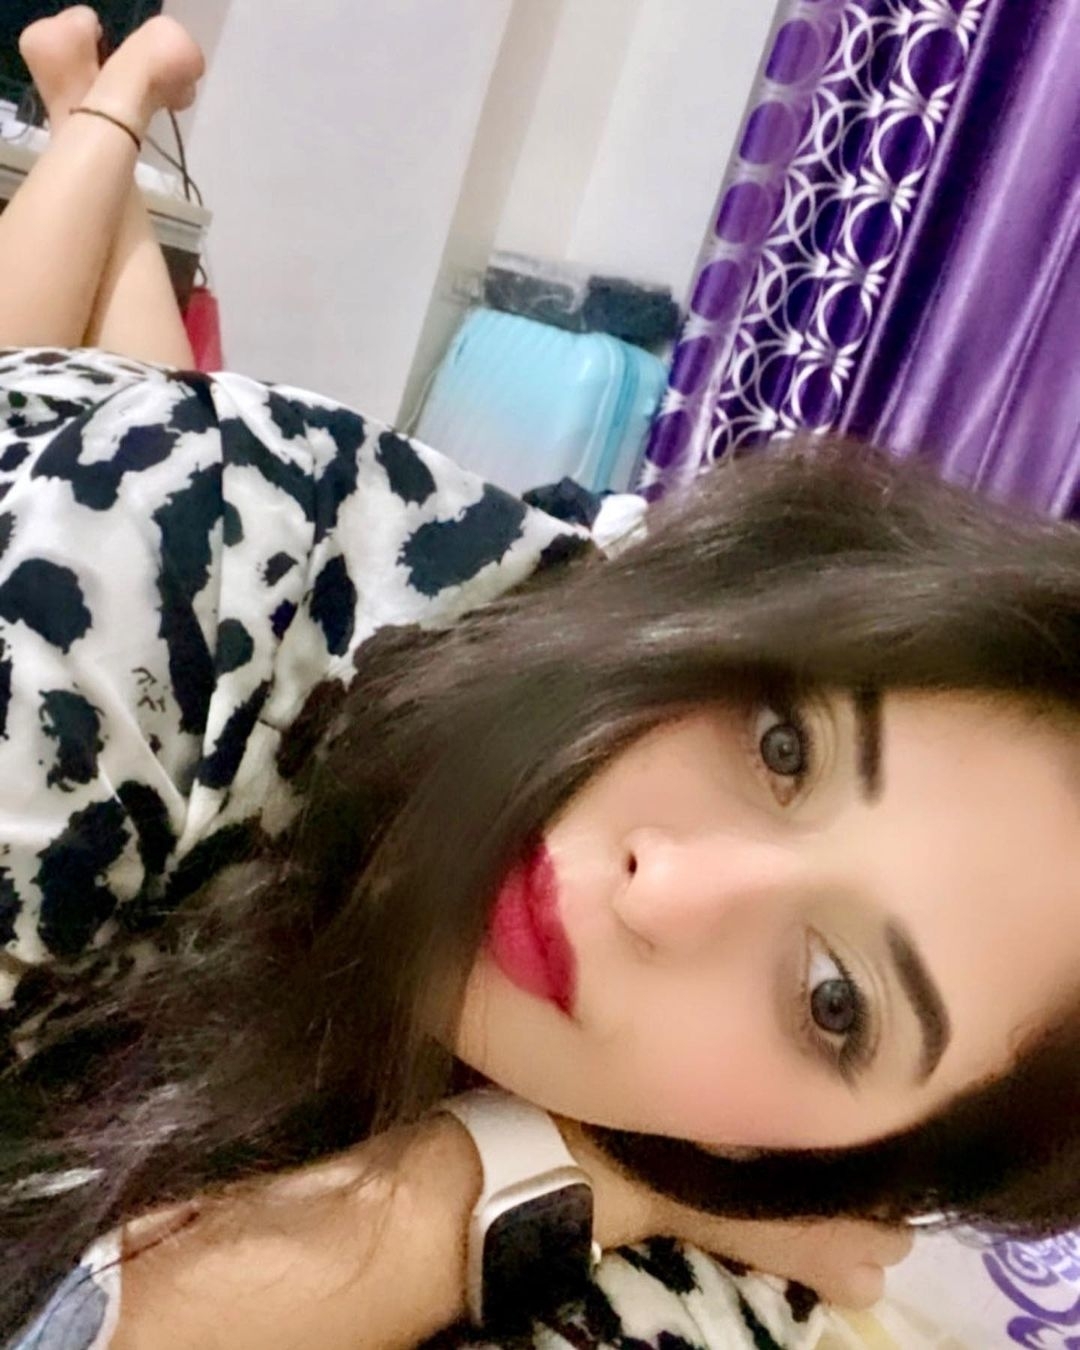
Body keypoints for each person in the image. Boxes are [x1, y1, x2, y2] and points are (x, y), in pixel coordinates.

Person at [2, 8, 1079, 1349]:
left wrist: (530, 1182)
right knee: (87, 408)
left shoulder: (723, 1274)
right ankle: (106, 108)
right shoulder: (207, 526)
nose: (663, 892)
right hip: (107, 492)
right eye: (784, 746)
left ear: (852, 1162)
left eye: (832, 1002)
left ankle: (91, 101)